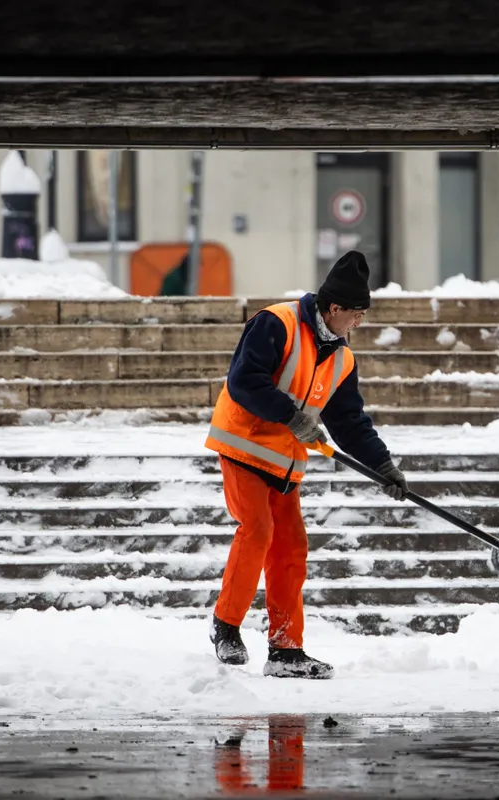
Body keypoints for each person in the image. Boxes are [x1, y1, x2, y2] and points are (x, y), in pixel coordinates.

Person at [203, 250, 407, 679]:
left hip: (284, 461)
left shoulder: (342, 357)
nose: (358, 324)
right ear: (334, 308)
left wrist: (384, 466)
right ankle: (226, 627)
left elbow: (349, 421)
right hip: (243, 445)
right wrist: (292, 416)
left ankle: (285, 650)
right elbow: (244, 381)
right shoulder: (276, 323)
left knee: (291, 548)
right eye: (355, 315)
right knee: (257, 531)